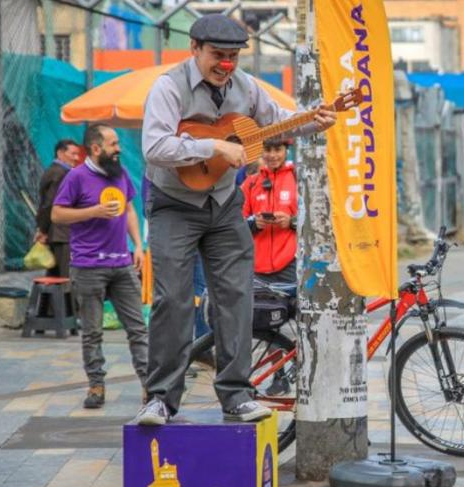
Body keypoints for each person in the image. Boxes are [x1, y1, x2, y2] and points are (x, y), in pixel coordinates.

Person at [134, 14, 335, 425]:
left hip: (224, 205)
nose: (226, 65)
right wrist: (213, 148)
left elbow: (279, 120)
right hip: (174, 203)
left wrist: (314, 120)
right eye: (217, 56)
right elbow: (155, 146)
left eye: (233, 57)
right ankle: (161, 398)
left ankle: (236, 394)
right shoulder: (169, 87)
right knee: (172, 299)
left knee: (236, 297)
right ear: (194, 49)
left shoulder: (246, 88)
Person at [51, 124, 148, 409]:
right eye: (113, 144)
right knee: (92, 332)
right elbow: (57, 214)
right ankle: (96, 386)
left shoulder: (121, 174)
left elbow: (129, 208)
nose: (119, 148)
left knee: (138, 329)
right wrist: (92, 212)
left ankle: (149, 387)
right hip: (87, 266)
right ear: (95, 148)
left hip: (122, 264)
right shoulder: (76, 177)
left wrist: (138, 245)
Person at [240, 136, 299, 285]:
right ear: (261, 151)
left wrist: (291, 221)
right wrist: (254, 223)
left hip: (291, 264)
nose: (273, 155)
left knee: (294, 308)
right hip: (255, 268)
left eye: (278, 150)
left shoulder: (299, 179)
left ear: (287, 150)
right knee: (256, 308)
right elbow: (234, 222)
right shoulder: (250, 183)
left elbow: (315, 221)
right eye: (267, 150)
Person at [35, 139, 81, 278]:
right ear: (60, 153)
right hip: (62, 233)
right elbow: (49, 204)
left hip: (56, 233)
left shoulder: (54, 171)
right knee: (65, 277)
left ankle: (48, 301)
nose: (77, 158)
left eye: (77, 154)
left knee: (54, 276)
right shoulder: (61, 174)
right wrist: (42, 230)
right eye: (73, 154)